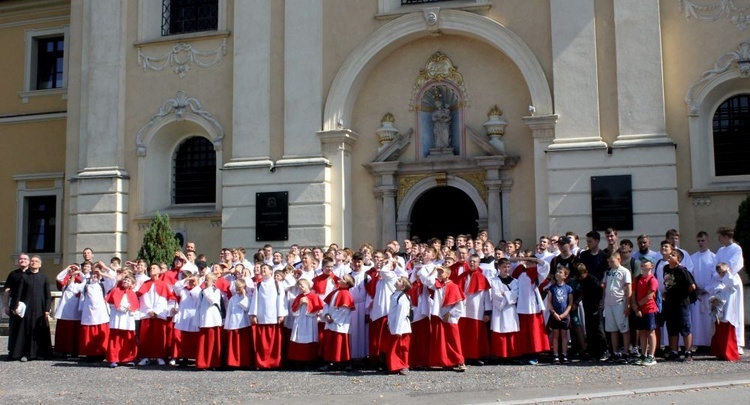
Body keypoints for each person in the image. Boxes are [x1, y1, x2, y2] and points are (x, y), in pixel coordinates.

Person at [9, 255, 53, 362]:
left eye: (36, 261)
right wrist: (15, 306)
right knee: (25, 331)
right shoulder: (25, 276)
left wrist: (47, 309)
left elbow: (47, 295)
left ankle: (40, 353)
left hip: (39, 308)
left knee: (39, 331)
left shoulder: (44, 277)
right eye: (32, 261)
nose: (33, 263)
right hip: (27, 308)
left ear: (40, 264)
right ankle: (26, 353)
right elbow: (19, 293)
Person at [511, 256, 550, 364]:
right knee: (523, 332)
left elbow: (546, 265)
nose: (528, 262)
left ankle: (534, 354)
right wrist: (520, 259)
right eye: (527, 261)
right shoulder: (520, 271)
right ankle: (524, 353)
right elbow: (510, 263)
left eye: (531, 261)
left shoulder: (537, 273)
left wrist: (535, 260)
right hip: (521, 306)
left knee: (534, 332)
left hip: (533, 307)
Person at [713, 226, 745, 354]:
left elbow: (733, 265)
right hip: (720, 282)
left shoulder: (736, 249)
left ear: (726, 236)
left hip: (731, 283)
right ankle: (724, 341)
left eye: (720, 236)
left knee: (734, 312)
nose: (718, 239)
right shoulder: (720, 250)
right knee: (722, 312)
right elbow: (715, 265)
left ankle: (737, 342)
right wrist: (718, 274)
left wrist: (724, 273)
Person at [250, 264, 287, 369]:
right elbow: (255, 299)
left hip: (274, 316)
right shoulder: (259, 284)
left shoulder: (277, 284)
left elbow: (281, 299)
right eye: (262, 269)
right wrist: (254, 314)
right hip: (262, 316)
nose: (263, 270)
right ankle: (262, 362)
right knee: (262, 342)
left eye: (265, 269)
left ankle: (274, 362)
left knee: (274, 342)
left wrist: (281, 314)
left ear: (271, 271)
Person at [429, 266, 466, 371]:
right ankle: (446, 361)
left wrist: (450, 313)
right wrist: (434, 269)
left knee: (453, 340)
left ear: (448, 274)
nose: (439, 274)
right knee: (442, 340)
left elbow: (459, 305)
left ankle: (460, 361)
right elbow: (426, 279)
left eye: (441, 272)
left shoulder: (454, 286)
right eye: (438, 273)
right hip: (439, 315)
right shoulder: (437, 286)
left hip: (450, 317)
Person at [662, 249, 696, 362]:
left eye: (673, 255)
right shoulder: (666, 269)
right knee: (672, 328)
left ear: (679, 259)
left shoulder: (682, 270)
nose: (670, 256)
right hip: (670, 303)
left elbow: (692, 286)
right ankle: (674, 351)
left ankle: (688, 351)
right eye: (670, 254)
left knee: (685, 327)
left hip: (681, 303)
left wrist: (682, 295)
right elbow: (667, 284)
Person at [457, 254, 491, 365]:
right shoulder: (462, 276)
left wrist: (487, 312)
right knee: (463, 335)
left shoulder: (482, 278)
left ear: (478, 263)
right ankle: (463, 356)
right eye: (470, 261)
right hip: (463, 311)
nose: (472, 263)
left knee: (476, 335)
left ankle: (475, 356)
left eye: (474, 261)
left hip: (477, 311)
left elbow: (487, 297)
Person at [135, 264, 170, 366]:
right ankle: (145, 357)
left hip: (159, 314)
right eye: (150, 268)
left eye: (154, 268)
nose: (151, 270)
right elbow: (142, 297)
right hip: (147, 313)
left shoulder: (163, 284)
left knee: (159, 336)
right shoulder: (145, 283)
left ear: (159, 271)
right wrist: (149, 310)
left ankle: (160, 356)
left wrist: (156, 311)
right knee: (145, 336)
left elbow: (164, 298)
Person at [707, 263, 742, 361]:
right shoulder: (720, 280)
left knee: (727, 333)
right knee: (719, 332)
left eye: (723, 272)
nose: (722, 274)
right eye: (720, 273)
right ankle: (720, 352)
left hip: (729, 311)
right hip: (720, 310)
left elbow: (732, 283)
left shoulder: (733, 279)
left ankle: (729, 354)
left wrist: (727, 273)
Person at [320, 274, 356, 371]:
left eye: (343, 279)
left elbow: (344, 310)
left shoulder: (346, 294)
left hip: (340, 323)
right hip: (331, 321)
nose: (340, 279)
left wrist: (333, 319)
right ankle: (329, 362)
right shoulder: (335, 292)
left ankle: (344, 363)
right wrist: (326, 314)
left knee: (340, 343)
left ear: (347, 284)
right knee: (329, 343)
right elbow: (326, 304)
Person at [602, 251, 632, 363]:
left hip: (620, 302)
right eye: (609, 261)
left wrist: (628, 304)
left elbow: (628, 288)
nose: (610, 263)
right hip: (609, 303)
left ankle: (626, 352)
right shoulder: (608, 272)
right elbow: (605, 287)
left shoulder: (625, 271)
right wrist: (603, 300)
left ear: (619, 259)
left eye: (612, 261)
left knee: (624, 328)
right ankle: (614, 352)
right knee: (612, 329)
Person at [489, 258, 521, 360]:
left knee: (511, 330)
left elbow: (516, 295)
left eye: (508, 267)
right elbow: (496, 295)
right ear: (499, 267)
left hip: (511, 310)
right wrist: (508, 294)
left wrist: (505, 293)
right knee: (500, 329)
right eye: (504, 267)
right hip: (500, 310)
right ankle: (501, 354)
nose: (506, 269)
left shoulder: (515, 281)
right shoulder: (494, 281)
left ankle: (512, 354)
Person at [106, 274, 139, 367]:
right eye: (125, 280)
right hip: (117, 317)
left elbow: (135, 306)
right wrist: (122, 307)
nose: (126, 281)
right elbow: (112, 303)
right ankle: (114, 359)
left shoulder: (132, 293)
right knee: (115, 338)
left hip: (128, 318)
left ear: (132, 284)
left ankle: (128, 358)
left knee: (128, 338)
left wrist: (131, 308)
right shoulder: (116, 291)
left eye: (128, 281)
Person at [630, 257, 659, 366]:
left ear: (651, 265)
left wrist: (637, 305)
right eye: (642, 262)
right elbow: (633, 294)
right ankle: (643, 354)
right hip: (639, 309)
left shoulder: (652, 279)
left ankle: (651, 355)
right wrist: (636, 308)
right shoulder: (637, 279)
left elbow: (650, 296)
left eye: (645, 262)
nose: (643, 264)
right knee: (642, 332)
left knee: (650, 332)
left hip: (649, 309)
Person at [77, 266, 110, 359]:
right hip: (89, 314)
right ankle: (89, 353)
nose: (95, 276)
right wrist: (75, 274)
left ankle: (102, 352)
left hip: (101, 314)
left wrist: (102, 273)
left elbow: (114, 279)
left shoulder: (103, 285)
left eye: (97, 274)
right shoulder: (86, 285)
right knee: (89, 334)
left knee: (101, 332)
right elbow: (73, 287)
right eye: (93, 274)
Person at [690, 231, 716, 348]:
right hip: (697, 293)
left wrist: (707, 288)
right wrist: (696, 288)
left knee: (708, 319)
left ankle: (710, 343)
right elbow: (690, 274)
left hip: (708, 293)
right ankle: (699, 344)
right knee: (697, 320)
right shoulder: (693, 257)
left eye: (703, 240)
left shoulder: (713, 258)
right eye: (699, 241)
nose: (701, 243)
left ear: (708, 241)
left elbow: (716, 276)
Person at [288, 278, 323, 365]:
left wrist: (308, 304)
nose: (300, 287)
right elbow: (293, 311)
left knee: (310, 340)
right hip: (300, 321)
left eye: (302, 285)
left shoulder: (314, 296)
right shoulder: (299, 297)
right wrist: (300, 303)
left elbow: (318, 310)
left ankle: (310, 361)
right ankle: (298, 361)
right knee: (298, 340)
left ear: (308, 285)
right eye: (299, 285)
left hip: (310, 321)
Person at [577, 263, 607, 361]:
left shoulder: (592, 280)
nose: (580, 278)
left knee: (598, 328)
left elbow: (601, 289)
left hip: (595, 306)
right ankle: (592, 350)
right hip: (587, 305)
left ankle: (603, 350)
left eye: (581, 275)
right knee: (589, 328)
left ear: (586, 272)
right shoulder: (581, 280)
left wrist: (600, 303)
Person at [53, 263, 85, 357]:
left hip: (76, 308)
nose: (73, 270)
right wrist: (67, 269)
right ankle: (63, 350)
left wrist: (79, 272)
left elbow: (86, 280)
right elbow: (58, 278)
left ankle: (75, 350)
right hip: (65, 309)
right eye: (72, 268)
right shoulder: (65, 280)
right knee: (64, 332)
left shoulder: (81, 282)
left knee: (75, 332)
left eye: (75, 268)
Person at [171, 275, 201, 367]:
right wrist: (185, 280)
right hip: (184, 317)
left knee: (195, 339)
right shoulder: (183, 290)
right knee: (184, 340)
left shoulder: (199, 291)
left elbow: (197, 297)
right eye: (190, 281)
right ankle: (184, 358)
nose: (191, 283)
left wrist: (195, 285)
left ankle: (195, 358)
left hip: (193, 317)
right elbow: (176, 287)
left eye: (194, 281)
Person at [195, 273, 223, 370]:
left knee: (213, 343)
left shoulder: (216, 291)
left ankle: (213, 363)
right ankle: (203, 363)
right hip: (204, 319)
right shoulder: (202, 292)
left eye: (208, 280)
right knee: (203, 343)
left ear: (214, 282)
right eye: (206, 279)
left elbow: (212, 300)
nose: (206, 281)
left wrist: (207, 289)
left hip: (213, 320)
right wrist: (197, 320)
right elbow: (198, 306)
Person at [4, 253, 30, 356]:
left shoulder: (31, 273)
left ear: (28, 261)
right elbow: (7, 290)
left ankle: (25, 352)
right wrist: (6, 306)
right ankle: (13, 351)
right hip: (14, 304)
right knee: (14, 328)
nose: (22, 260)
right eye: (20, 259)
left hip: (28, 304)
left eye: (25, 259)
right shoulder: (13, 274)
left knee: (26, 329)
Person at [386, 276, 412, 375]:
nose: (397, 281)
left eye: (399, 281)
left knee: (402, 348)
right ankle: (395, 366)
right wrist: (389, 323)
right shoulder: (394, 295)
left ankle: (403, 366)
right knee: (394, 348)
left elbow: (402, 314)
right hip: (394, 326)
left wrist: (399, 330)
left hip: (401, 329)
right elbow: (392, 312)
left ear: (403, 287)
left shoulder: (403, 297)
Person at [547, 265, 573, 364]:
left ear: (565, 276)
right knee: (555, 335)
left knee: (564, 335)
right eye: (557, 272)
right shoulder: (552, 288)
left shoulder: (568, 288)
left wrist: (565, 314)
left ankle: (564, 354)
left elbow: (570, 303)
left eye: (560, 272)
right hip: (555, 315)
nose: (558, 274)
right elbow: (549, 302)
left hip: (564, 315)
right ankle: (556, 355)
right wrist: (554, 313)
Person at [224, 278, 252, 368]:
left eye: (241, 288)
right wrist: (227, 325)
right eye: (237, 288)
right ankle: (234, 362)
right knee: (234, 345)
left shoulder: (248, 297)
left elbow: (247, 308)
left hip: (244, 323)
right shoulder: (233, 299)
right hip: (234, 323)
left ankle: (245, 362)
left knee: (244, 345)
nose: (239, 290)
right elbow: (229, 312)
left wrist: (244, 297)